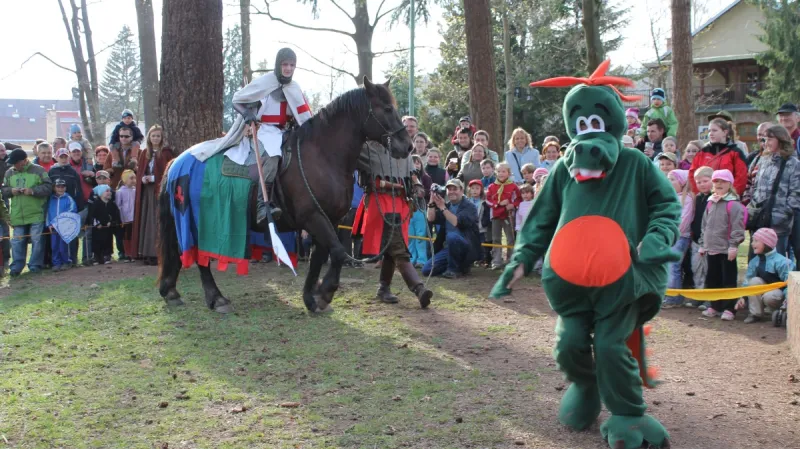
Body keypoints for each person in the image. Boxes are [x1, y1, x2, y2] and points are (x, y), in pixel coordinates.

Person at [352, 141, 433, 307]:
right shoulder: (369, 150)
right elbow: (372, 180)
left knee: (392, 247)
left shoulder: (404, 152)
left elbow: (412, 174)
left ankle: (383, 288)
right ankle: (418, 288)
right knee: (398, 247)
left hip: (401, 205)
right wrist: (399, 185)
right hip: (380, 202)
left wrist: (416, 184)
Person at [698, 169, 746, 320]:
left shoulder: (733, 205)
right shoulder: (710, 203)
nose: (719, 184)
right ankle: (714, 306)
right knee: (712, 279)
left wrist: (733, 246)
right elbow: (704, 225)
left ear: (730, 184)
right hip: (711, 249)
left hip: (726, 250)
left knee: (728, 280)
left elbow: (737, 227)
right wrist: (703, 244)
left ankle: (729, 308)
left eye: (723, 181)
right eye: (716, 181)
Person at [748, 125, 800, 257]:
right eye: (765, 139)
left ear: (781, 140)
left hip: (779, 224)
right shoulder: (763, 160)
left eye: (770, 139)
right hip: (759, 219)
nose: (766, 143)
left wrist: (785, 212)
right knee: (755, 261)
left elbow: (796, 193)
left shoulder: (793, 163)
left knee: (775, 262)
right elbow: (755, 187)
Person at [2, 148, 53, 276]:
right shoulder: (9, 173)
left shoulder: (39, 170)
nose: (14, 165)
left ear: (25, 161)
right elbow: (4, 189)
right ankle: (16, 267)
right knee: (17, 241)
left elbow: (48, 188)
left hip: (36, 213)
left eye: (16, 163)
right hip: (18, 214)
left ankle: (35, 266)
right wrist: (11, 191)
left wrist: (32, 191)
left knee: (37, 240)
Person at [131, 124, 175, 265]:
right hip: (147, 193)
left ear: (162, 138)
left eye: (158, 136)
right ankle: (146, 252)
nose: (155, 138)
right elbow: (141, 172)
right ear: (149, 137)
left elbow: (169, 172)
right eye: (153, 135)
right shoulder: (144, 153)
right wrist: (143, 178)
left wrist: (155, 178)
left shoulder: (166, 153)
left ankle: (159, 253)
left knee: (157, 221)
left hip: (160, 192)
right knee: (147, 220)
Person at [423, 179, 481, 278]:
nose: (452, 192)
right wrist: (432, 202)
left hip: (466, 247)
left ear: (462, 191)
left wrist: (442, 207)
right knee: (427, 270)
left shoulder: (469, 206)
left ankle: (454, 270)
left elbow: (456, 222)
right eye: (449, 189)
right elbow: (431, 218)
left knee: (452, 236)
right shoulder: (447, 205)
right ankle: (459, 267)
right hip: (448, 248)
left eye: (455, 189)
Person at [735, 227, 793, 323]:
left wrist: (787, 300)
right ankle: (755, 313)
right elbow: (747, 280)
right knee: (754, 281)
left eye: (756, 241)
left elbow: (789, 284)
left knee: (769, 297)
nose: (752, 243)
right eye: (753, 240)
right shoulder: (754, 261)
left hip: (780, 294)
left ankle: (779, 310)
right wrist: (743, 297)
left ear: (767, 244)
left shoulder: (782, 262)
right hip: (766, 289)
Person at [49, 146, 89, 266]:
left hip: (70, 206)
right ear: (56, 157)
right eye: (61, 157)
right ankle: (56, 261)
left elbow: (78, 190)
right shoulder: (51, 171)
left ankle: (72, 259)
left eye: (65, 156)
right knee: (56, 238)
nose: (63, 159)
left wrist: (79, 206)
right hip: (55, 205)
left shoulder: (72, 172)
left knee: (71, 235)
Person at [689, 118, 748, 196]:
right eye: (709, 131)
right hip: (704, 197)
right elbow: (692, 174)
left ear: (725, 132)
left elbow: (741, 177)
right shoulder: (702, 153)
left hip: (727, 198)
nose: (711, 133)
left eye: (714, 130)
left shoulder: (735, 152)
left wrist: (730, 195)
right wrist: (699, 194)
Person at [662, 170, 694, 308]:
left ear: (682, 182)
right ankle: (667, 293)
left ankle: (673, 298)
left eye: (673, 179)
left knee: (673, 265)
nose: (669, 182)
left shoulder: (687, 199)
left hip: (679, 237)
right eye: (668, 179)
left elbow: (683, 221)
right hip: (667, 236)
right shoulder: (668, 197)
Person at [686, 166, 714, 309]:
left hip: (709, 242)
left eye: (705, 181)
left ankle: (709, 298)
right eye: (699, 182)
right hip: (696, 240)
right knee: (696, 268)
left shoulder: (714, 199)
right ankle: (699, 293)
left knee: (708, 269)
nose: (702, 184)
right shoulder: (698, 198)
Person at [486, 162, 520, 269]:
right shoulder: (492, 187)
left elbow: (518, 199)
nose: (501, 174)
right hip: (496, 215)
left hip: (508, 215)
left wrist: (512, 205)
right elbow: (488, 200)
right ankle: (496, 260)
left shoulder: (513, 186)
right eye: (499, 171)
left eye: (504, 171)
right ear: (496, 173)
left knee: (510, 238)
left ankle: (510, 260)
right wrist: (498, 204)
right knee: (496, 238)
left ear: (509, 173)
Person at [47, 178, 77, 272]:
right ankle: (56, 263)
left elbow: (72, 211)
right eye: (58, 186)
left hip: (64, 227)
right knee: (54, 246)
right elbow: (47, 213)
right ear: (54, 187)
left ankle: (66, 262)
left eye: (62, 186)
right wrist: (49, 224)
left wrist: (62, 222)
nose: (60, 188)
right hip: (54, 228)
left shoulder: (69, 198)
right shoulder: (51, 199)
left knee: (63, 245)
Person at [89, 184, 121, 265]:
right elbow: (92, 216)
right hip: (98, 229)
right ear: (101, 193)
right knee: (97, 242)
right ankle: (96, 256)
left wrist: (112, 222)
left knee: (108, 241)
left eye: (110, 191)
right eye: (106, 191)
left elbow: (115, 215)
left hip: (108, 228)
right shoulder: (96, 204)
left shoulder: (112, 204)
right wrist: (97, 224)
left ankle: (107, 255)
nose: (109, 193)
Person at [339, 170, 364, 268]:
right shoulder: (347, 173)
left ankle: (356, 260)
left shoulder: (361, 175)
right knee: (346, 235)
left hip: (360, 208)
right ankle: (348, 259)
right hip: (349, 209)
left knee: (357, 236)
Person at [465, 179, 490, 265]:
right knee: (471, 243)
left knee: (482, 243)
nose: (474, 190)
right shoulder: (467, 201)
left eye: (477, 188)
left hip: (480, 227)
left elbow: (486, 214)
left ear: (481, 190)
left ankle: (482, 259)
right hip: (470, 227)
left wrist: (484, 223)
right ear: (469, 189)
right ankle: (472, 258)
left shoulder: (484, 202)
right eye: (473, 188)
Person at [116, 170, 136, 262]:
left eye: (134, 178)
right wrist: (121, 218)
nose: (133, 180)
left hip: (134, 218)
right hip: (125, 218)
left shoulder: (135, 191)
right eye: (131, 178)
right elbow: (118, 205)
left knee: (133, 236)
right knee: (126, 236)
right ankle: (127, 253)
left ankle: (133, 253)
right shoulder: (120, 192)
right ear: (125, 179)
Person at [408, 183, 428, 268]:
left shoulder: (421, 178)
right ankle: (411, 259)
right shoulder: (404, 179)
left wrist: (416, 183)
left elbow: (422, 193)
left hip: (420, 211)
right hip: (408, 211)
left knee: (420, 237)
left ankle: (421, 260)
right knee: (410, 237)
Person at [0, 143, 9, 268]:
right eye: (1, 150)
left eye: (4, 150)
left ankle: (5, 261)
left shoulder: (7, 162)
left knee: (4, 232)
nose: (3, 152)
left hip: (3, 197)